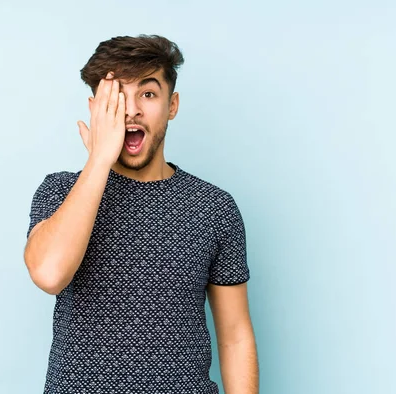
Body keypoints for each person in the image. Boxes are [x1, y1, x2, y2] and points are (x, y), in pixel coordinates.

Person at [24, 34, 259, 394]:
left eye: (147, 94)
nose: (131, 110)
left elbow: (235, 336)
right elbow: (50, 274)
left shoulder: (214, 208)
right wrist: (100, 158)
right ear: (95, 109)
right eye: (117, 98)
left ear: (172, 105)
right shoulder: (59, 191)